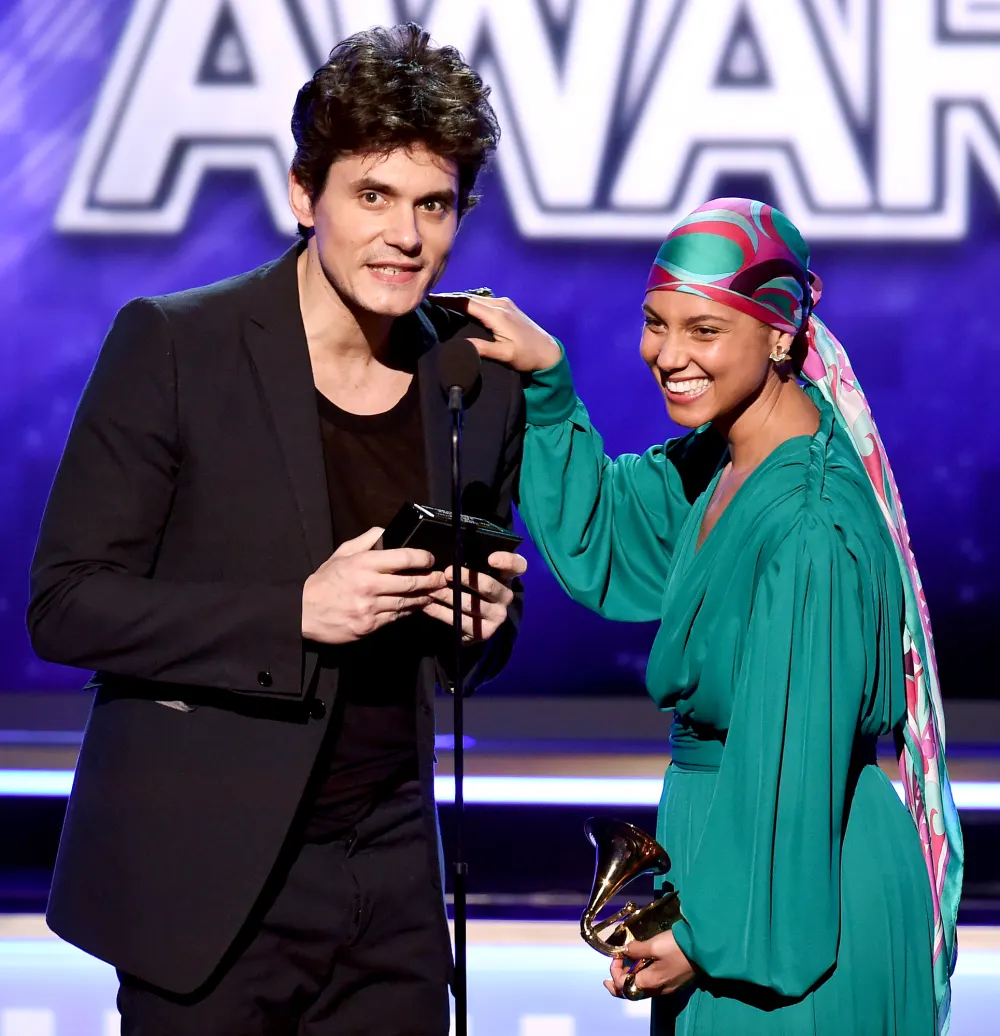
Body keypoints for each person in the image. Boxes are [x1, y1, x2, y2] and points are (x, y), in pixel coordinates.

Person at [27, 23, 526, 1036]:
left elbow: (465, 642)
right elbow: (66, 601)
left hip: (388, 875)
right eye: (372, 196)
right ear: (306, 196)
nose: (405, 236)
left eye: (434, 205)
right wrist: (294, 613)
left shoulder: (473, 376)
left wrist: (481, 626)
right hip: (208, 879)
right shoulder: (174, 344)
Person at [435, 198, 963, 1034]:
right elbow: (604, 536)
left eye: (704, 330)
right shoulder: (722, 462)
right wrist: (545, 381)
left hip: (791, 899)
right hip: (736, 877)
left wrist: (707, 933)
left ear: (782, 334)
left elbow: (795, 766)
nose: (668, 356)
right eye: (655, 324)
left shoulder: (809, 526)